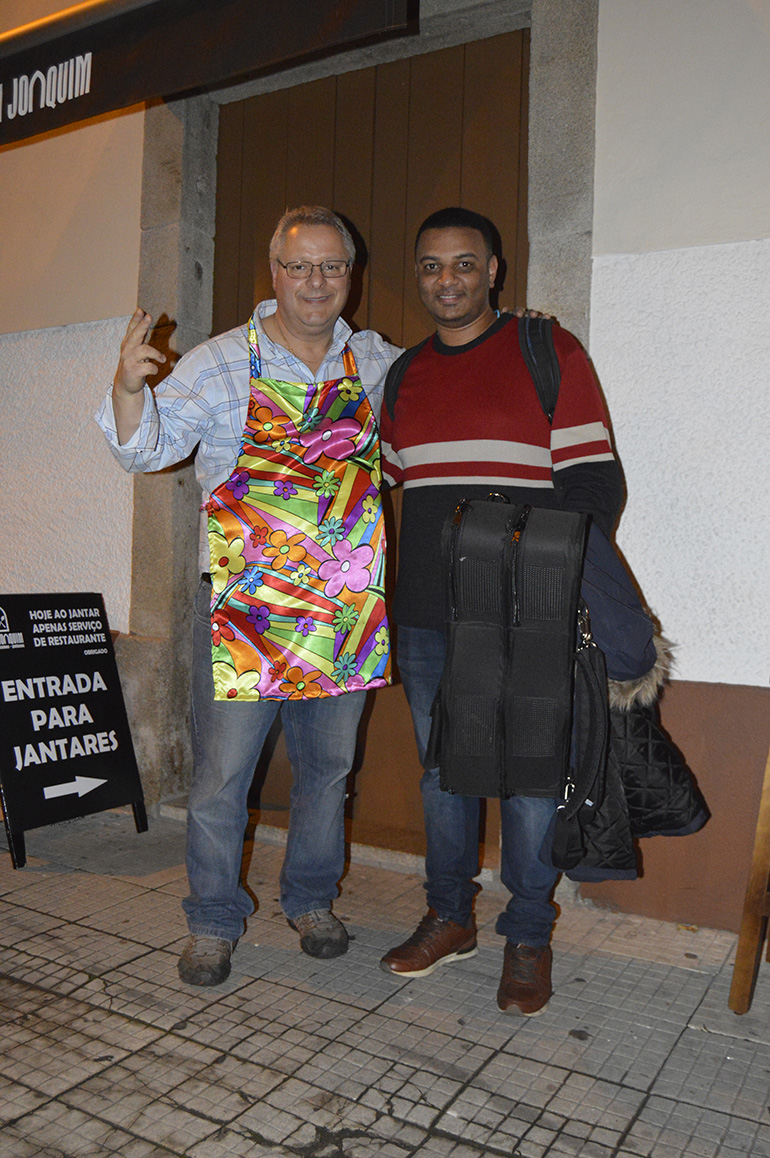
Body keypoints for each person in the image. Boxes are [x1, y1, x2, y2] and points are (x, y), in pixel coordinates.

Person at [97, 206, 400, 986]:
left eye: (331, 266)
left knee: (327, 770)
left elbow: (445, 400)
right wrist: (128, 386)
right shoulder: (220, 362)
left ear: (351, 274)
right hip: (245, 608)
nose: (315, 282)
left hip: (340, 610)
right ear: (274, 272)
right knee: (222, 777)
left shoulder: (376, 363)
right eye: (300, 266)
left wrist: (516, 332)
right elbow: (146, 450)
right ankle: (212, 920)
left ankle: (311, 900)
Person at [378, 207, 625, 1016]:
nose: (446, 279)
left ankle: (527, 934)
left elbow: (595, 484)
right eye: (431, 266)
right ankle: (450, 917)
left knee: (527, 778)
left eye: (463, 263)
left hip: (526, 616)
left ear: (493, 271)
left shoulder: (547, 351)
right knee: (444, 774)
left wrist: (538, 571)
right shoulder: (404, 375)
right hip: (427, 616)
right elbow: (377, 482)